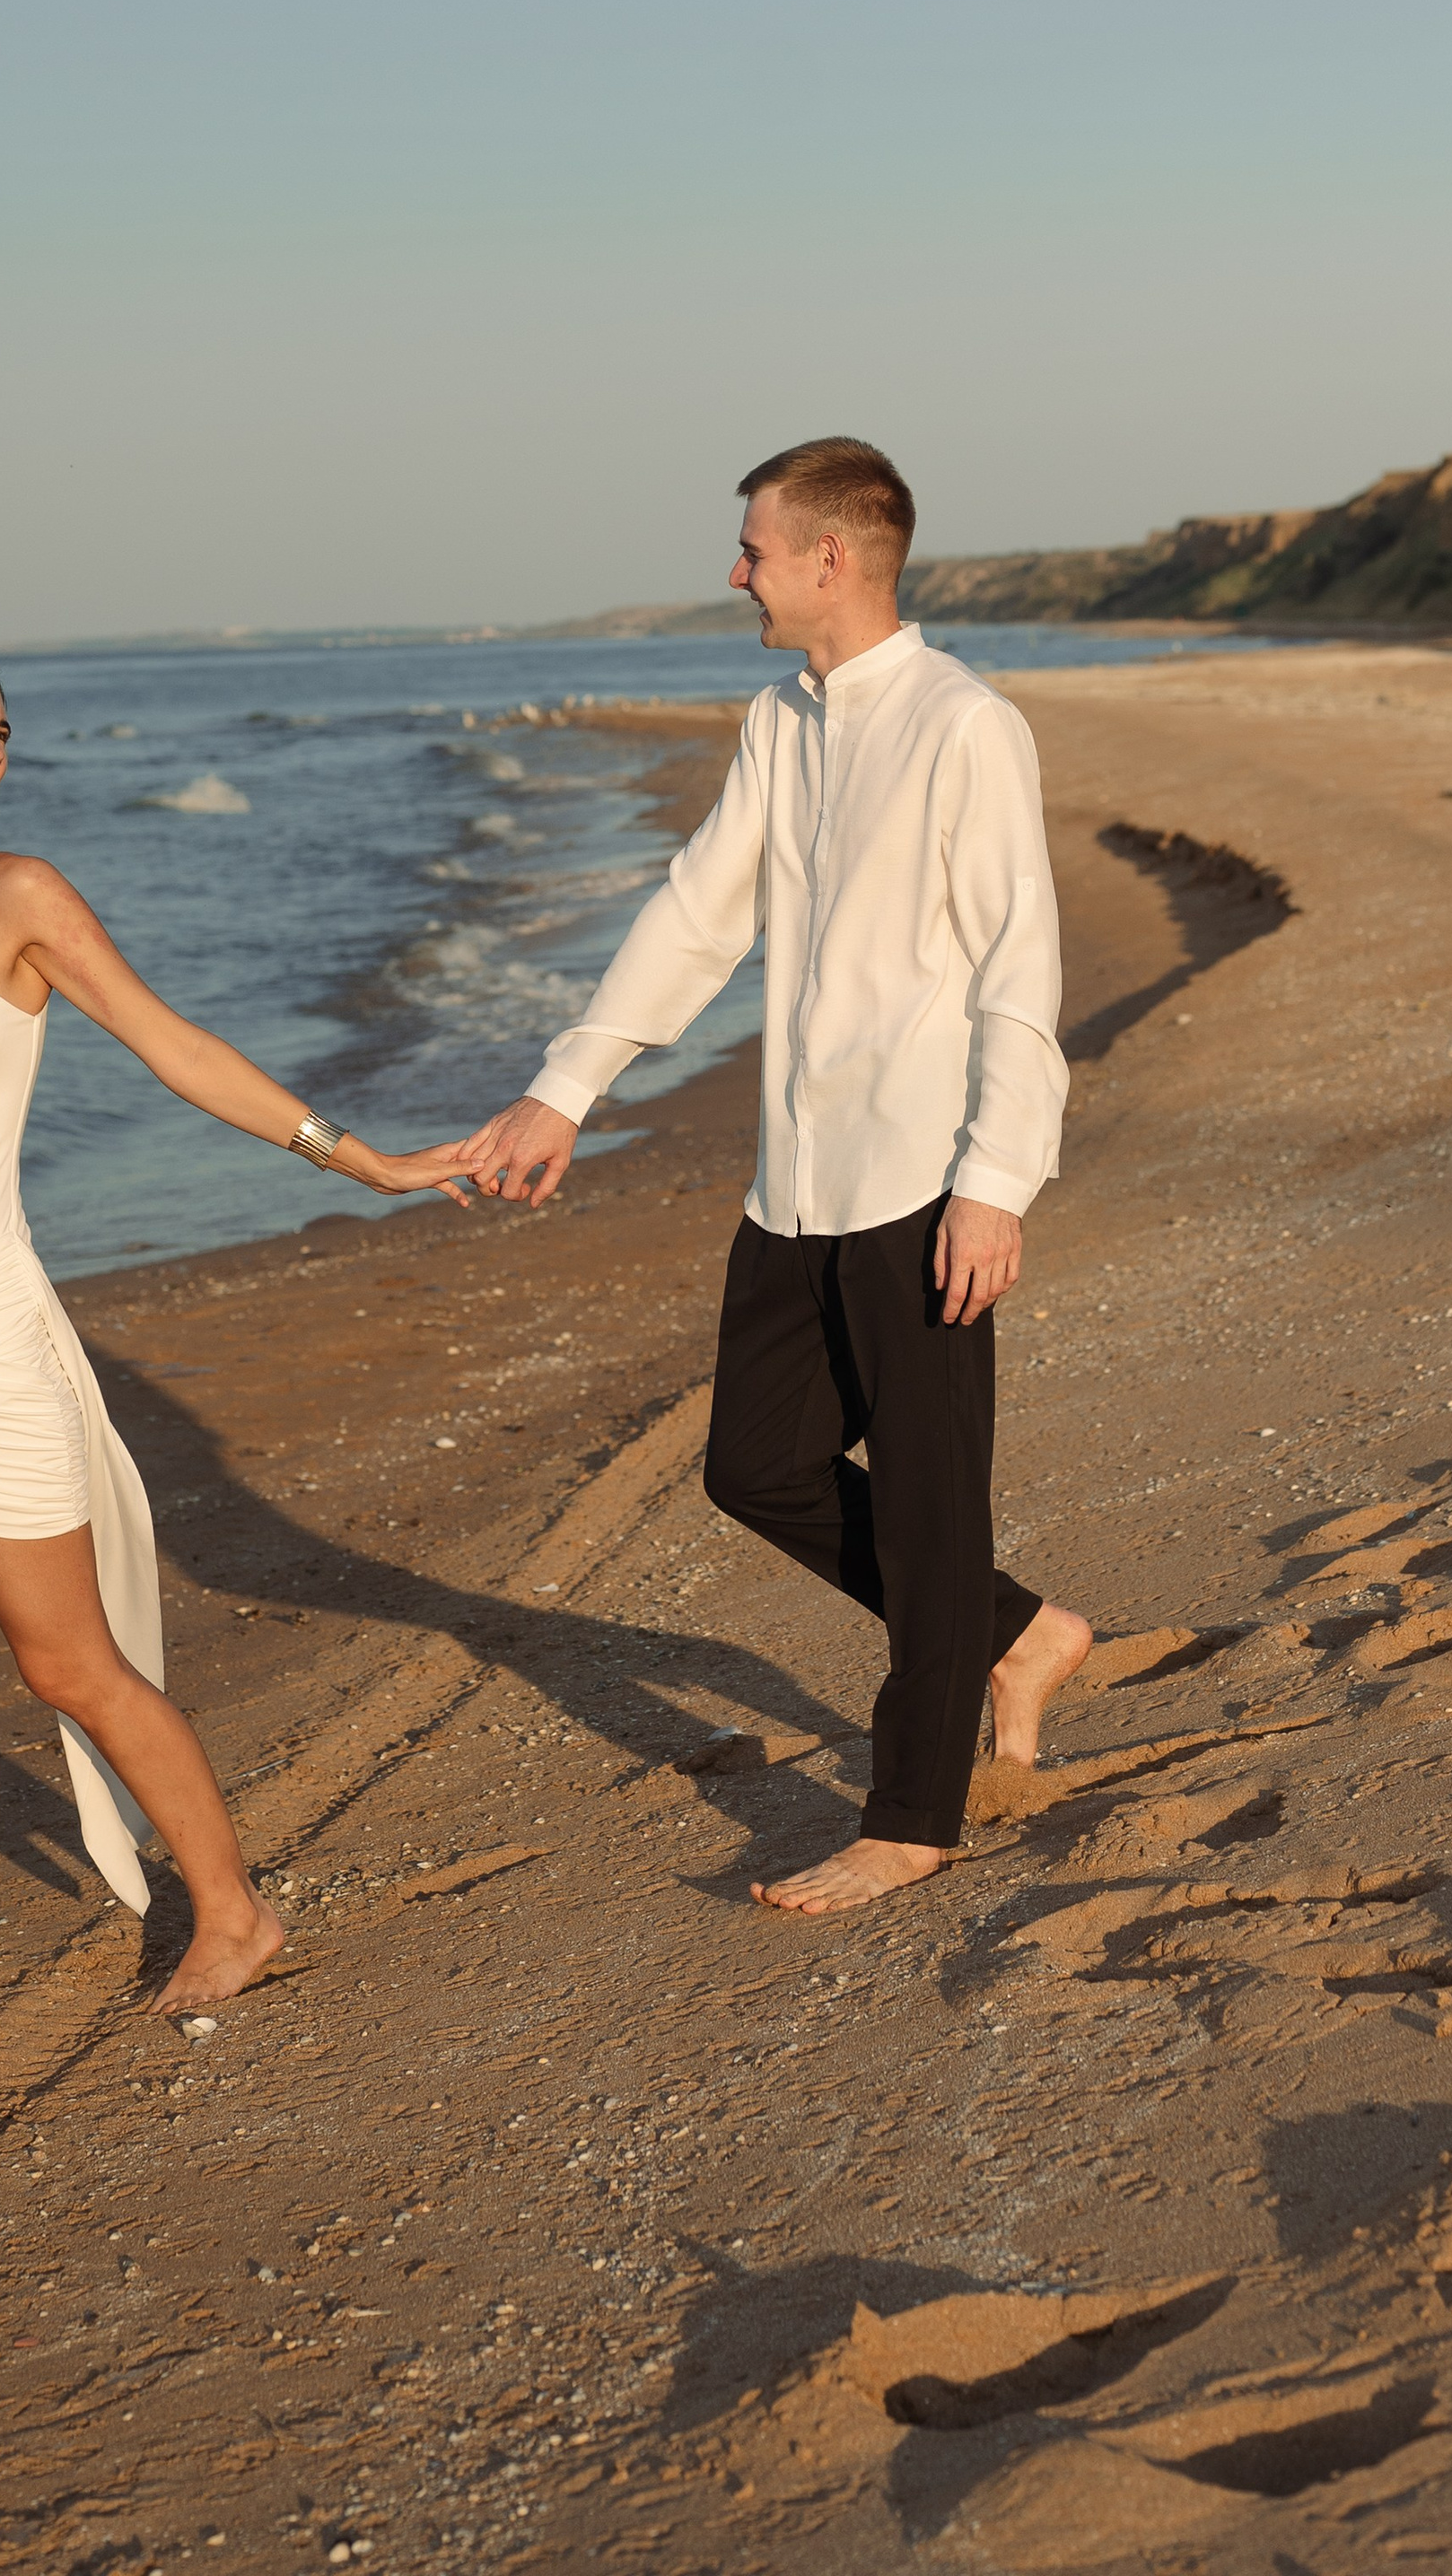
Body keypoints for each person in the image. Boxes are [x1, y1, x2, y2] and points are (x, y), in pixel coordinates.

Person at [0, 640, 469, 2109]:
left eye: (4, 728)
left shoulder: (17, 896)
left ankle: (235, 1909)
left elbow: (169, 1045)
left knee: (63, 1662)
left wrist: (359, 1155)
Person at [459, 441, 1089, 1915]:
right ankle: (1021, 1630)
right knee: (755, 1466)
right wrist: (567, 1088)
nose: (732, 569)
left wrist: (997, 1180)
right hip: (794, 1181)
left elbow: (1019, 969)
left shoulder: (964, 726)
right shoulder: (781, 721)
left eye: (752, 547)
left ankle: (912, 1818)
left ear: (832, 559)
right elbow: (697, 915)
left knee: (933, 1512)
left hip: (926, 1179)